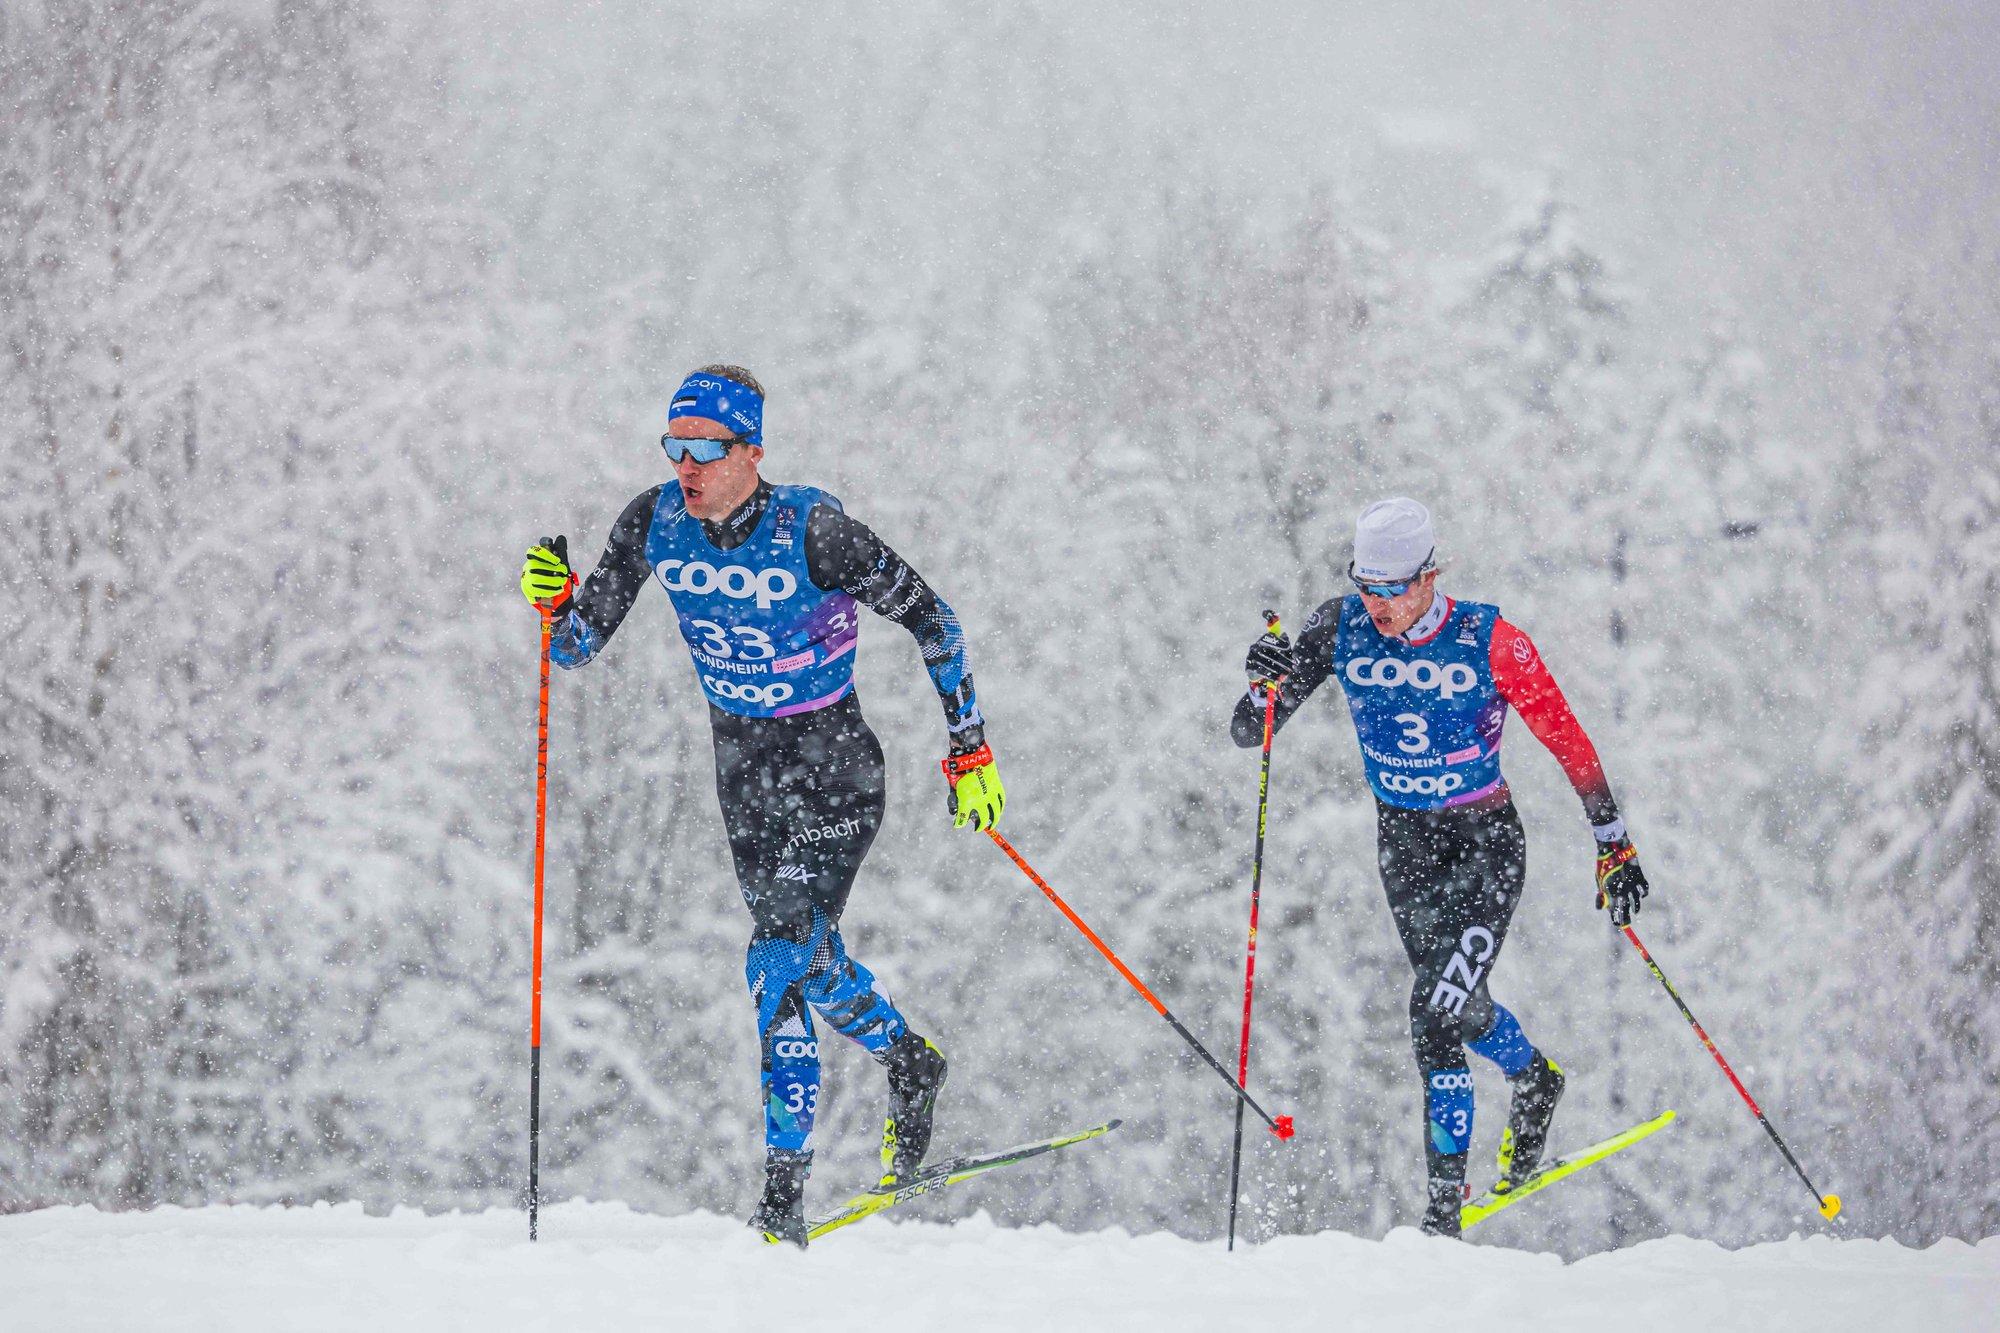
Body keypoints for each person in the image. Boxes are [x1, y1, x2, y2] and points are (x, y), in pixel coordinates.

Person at [519, 364, 1005, 1247]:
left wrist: (969, 746)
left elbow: (938, 621)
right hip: (743, 774)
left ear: (752, 451)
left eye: (706, 449)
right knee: (801, 959)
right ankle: (910, 1061)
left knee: (773, 952)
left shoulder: (813, 529)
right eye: (676, 448)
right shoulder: (655, 522)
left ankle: (783, 1197)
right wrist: (553, 602)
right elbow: (578, 646)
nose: (687, 468)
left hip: (834, 769)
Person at [1230, 497, 1651, 1238]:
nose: (1378, 603)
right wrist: (1264, 680)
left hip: (1485, 846)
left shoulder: (1489, 639)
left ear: (1430, 576)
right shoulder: (1340, 626)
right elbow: (1249, 729)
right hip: (1405, 848)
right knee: (1451, 1004)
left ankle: (1441, 1215)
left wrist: (1612, 842)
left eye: (1393, 587)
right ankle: (1534, 1078)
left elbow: (1567, 737)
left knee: (1431, 1014)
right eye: (1367, 584)